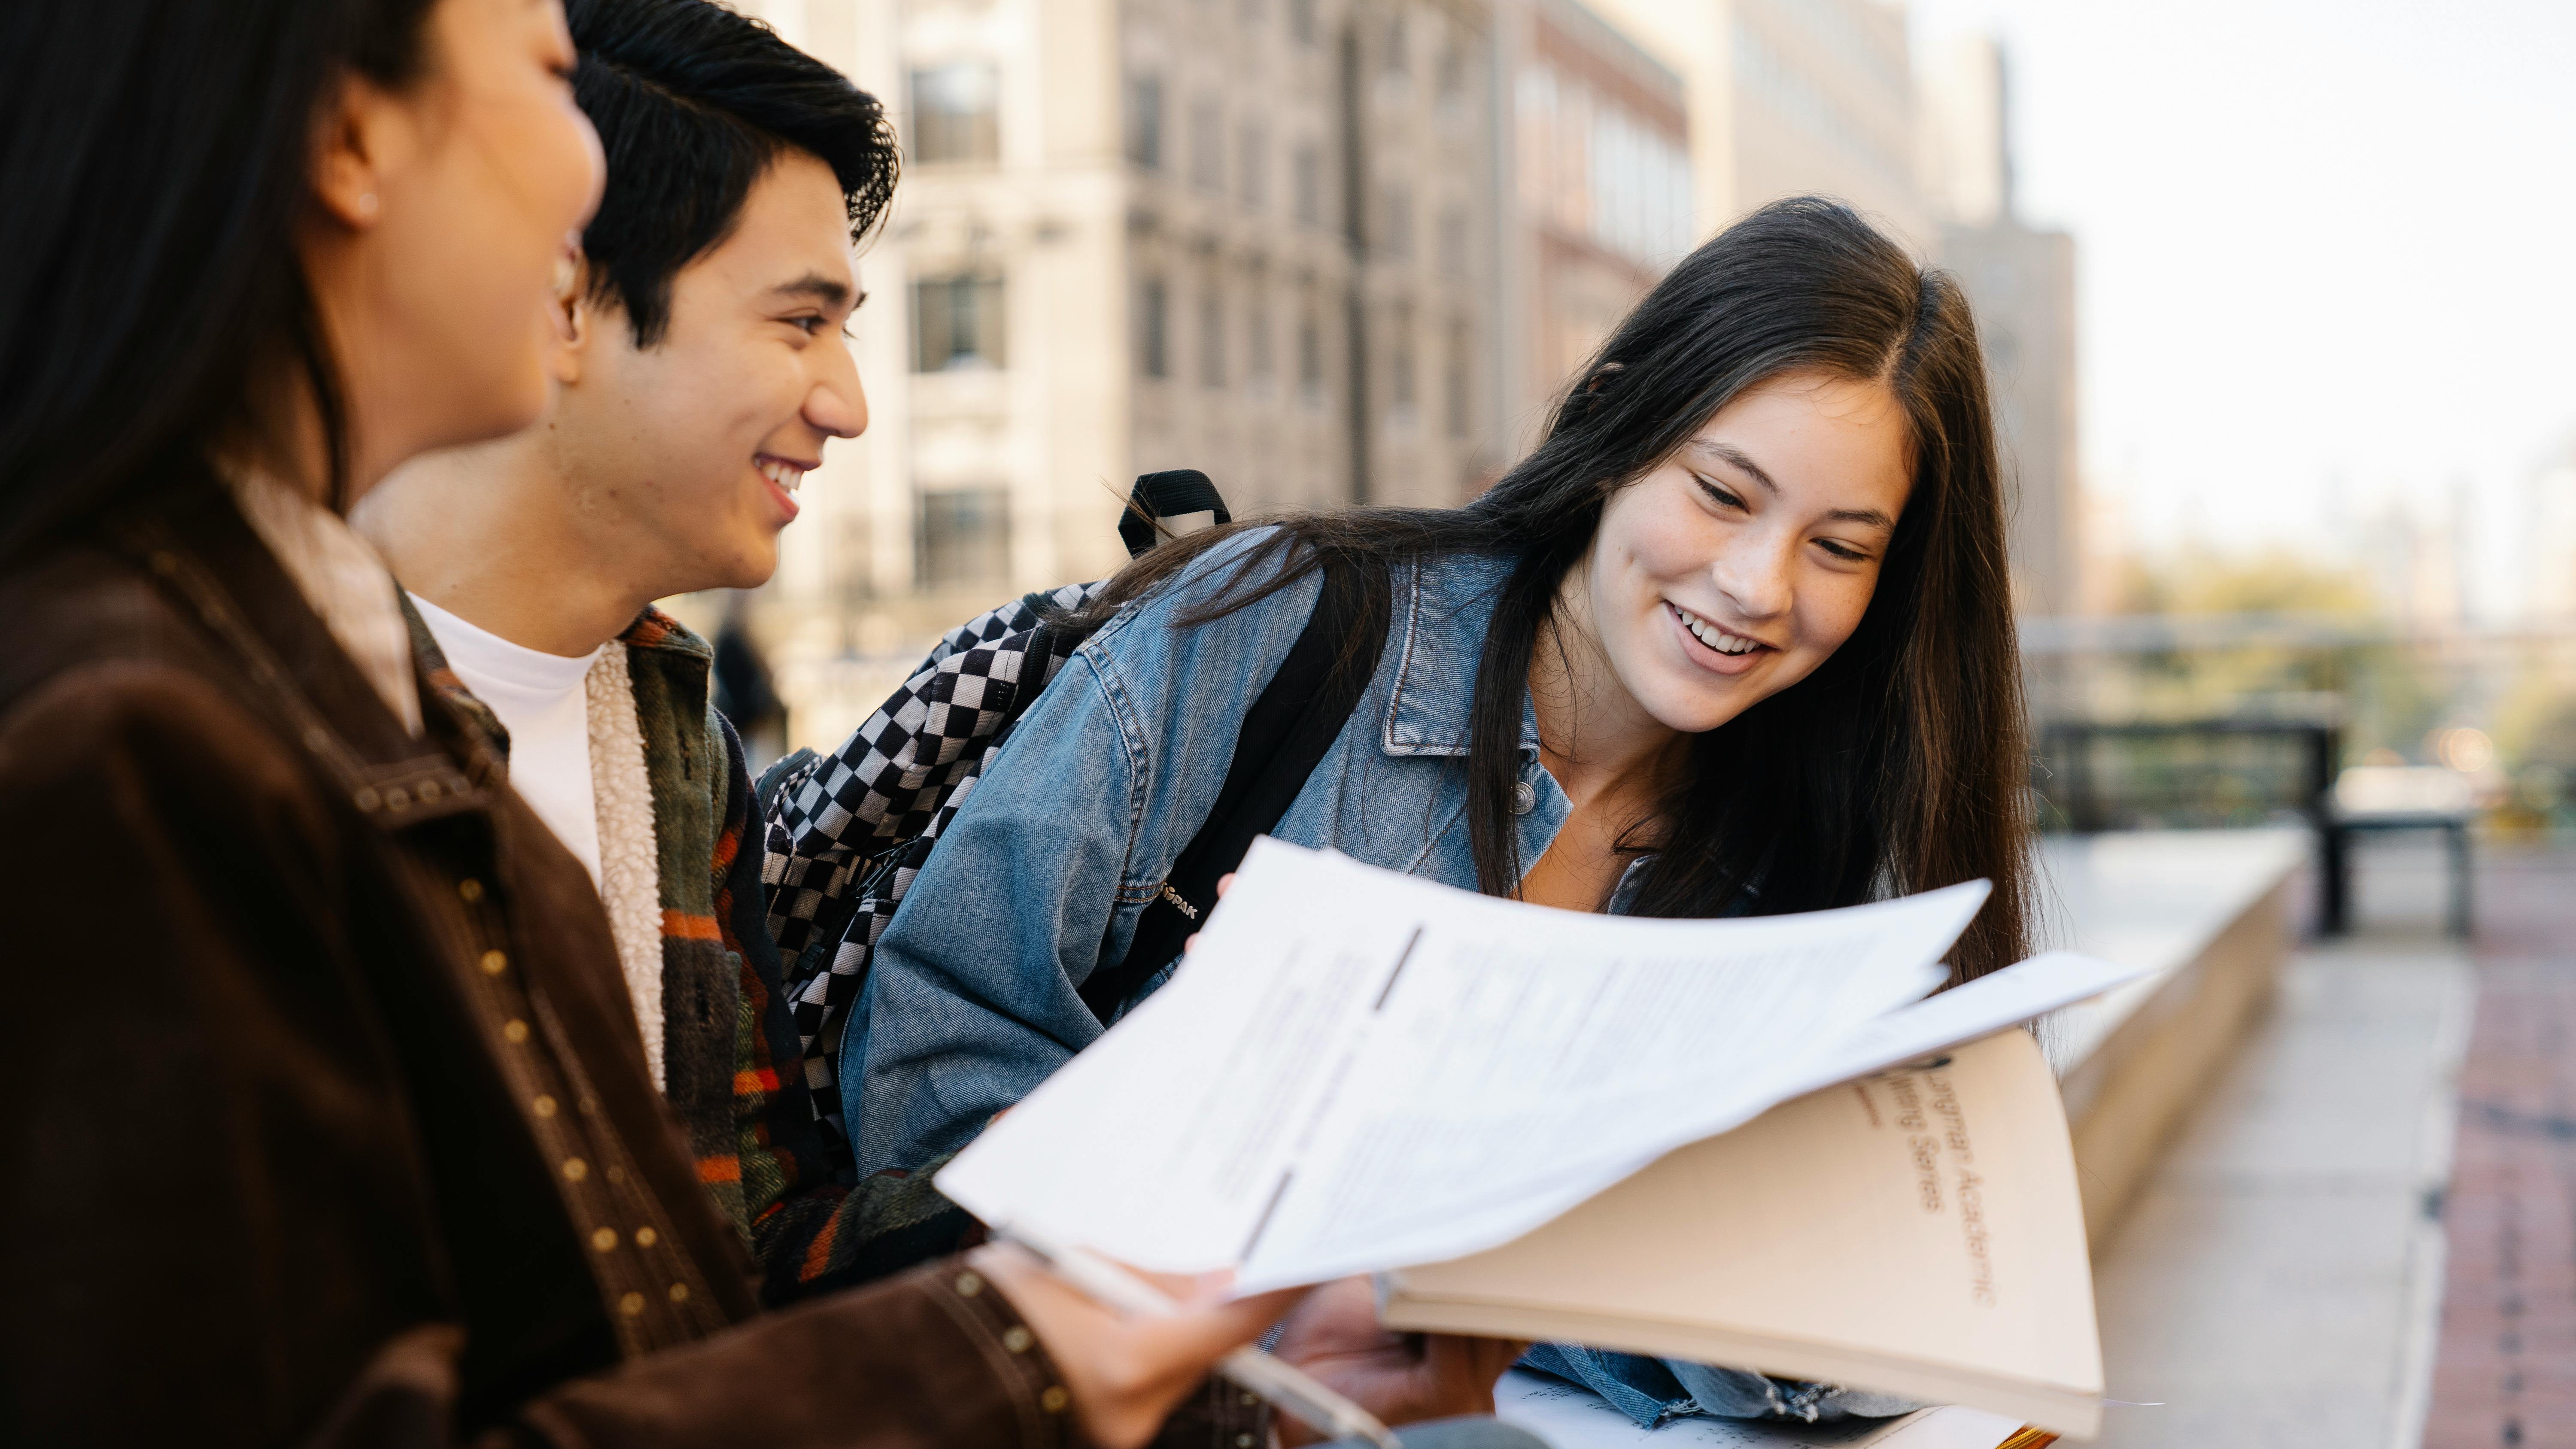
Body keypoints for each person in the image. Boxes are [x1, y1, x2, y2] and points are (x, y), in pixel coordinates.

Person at [0, 1, 1525, 1445]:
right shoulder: (132, 731)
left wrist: (1208, 1358)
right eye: (539, 71)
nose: (851, 404)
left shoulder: (637, 719)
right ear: (348, 143)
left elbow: (724, 1275)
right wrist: (1034, 1355)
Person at [822, 197, 2037, 1425]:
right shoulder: (1279, 626)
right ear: (1617, 418)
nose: (1756, 585)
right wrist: (1236, 1209)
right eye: (1724, 493)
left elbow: (1849, 1317)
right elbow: (934, 1055)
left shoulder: (1833, 850)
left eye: (1839, 547)